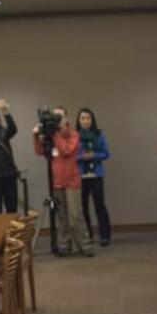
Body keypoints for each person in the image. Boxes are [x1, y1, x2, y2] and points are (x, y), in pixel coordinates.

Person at [33, 106, 93, 256]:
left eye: (59, 117)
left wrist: (55, 135)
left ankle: (86, 246)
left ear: (66, 118)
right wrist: (36, 136)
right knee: (62, 217)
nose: (56, 120)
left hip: (72, 181)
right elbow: (40, 151)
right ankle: (65, 246)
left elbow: (66, 150)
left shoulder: (73, 134)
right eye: (55, 117)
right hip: (56, 181)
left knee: (75, 215)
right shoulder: (51, 135)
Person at [76, 107, 112, 246]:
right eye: (83, 118)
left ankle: (105, 235)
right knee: (82, 206)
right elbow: (72, 156)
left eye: (88, 118)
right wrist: (81, 157)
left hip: (96, 174)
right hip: (81, 175)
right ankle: (88, 235)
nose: (86, 121)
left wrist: (94, 155)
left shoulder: (99, 134)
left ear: (92, 120)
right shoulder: (75, 136)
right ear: (78, 121)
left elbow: (106, 153)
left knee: (100, 205)